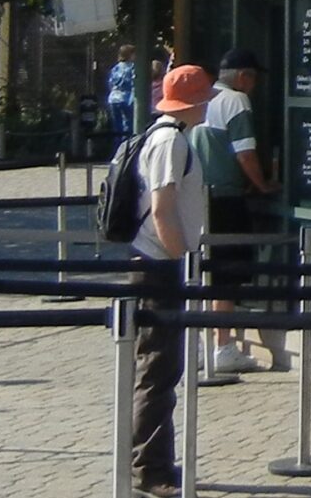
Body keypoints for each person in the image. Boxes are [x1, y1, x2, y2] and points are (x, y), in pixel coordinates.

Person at [129, 64, 213, 498]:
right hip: (160, 266)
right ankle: (150, 467)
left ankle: (152, 458)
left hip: (163, 263)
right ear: (193, 102)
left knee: (160, 368)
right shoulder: (170, 141)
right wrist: (185, 259)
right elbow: (162, 208)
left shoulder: (171, 137)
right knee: (159, 369)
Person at [194, 47, 273, 373]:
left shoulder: (201, 100)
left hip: (196, 198)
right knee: (225, 273)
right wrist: (264, 184)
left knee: (200, 272)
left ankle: (199, 345)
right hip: (224, 198)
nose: (253, 87)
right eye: (253, 79)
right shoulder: (235, 101)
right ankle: (223, 346)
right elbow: (245, 154)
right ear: (244, 77)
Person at [105, 44, 138, 142]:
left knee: (116, 126)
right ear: (130, 55)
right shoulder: (132, 67)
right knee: (128, 125)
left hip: (114, 98)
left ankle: (117, 146)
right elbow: (134, 83)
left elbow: (110, 82)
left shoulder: (116, 68)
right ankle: (126, 146)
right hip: (126, 98)